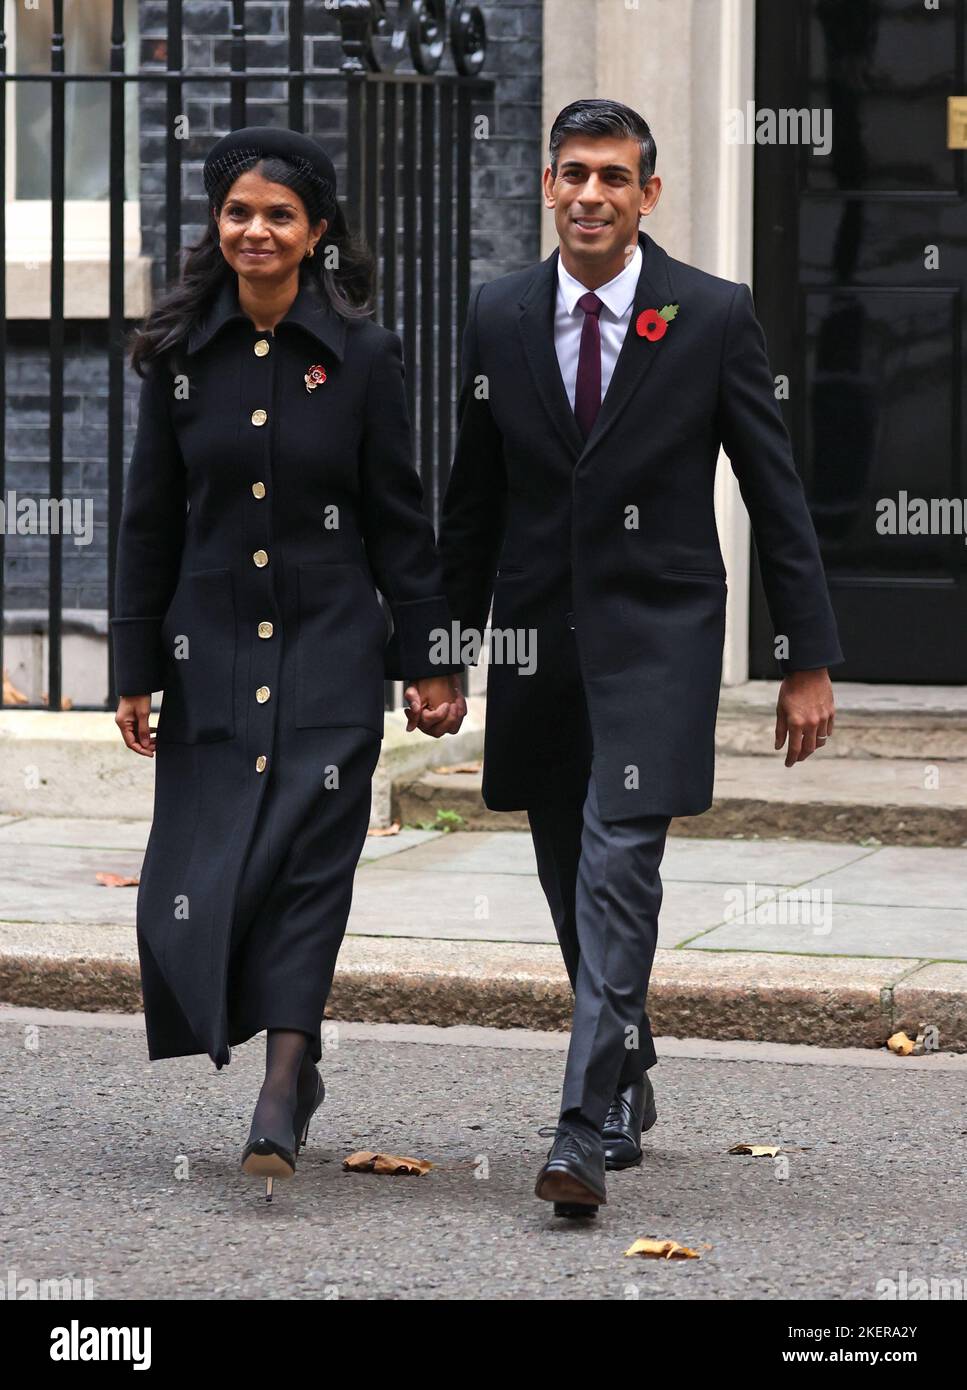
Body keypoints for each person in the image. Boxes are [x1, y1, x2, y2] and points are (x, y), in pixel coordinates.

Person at [437, 98, 842, 1217]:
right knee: (571, 865)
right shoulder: (499, 312)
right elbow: (472, 499)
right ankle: (628, 1063)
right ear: (550, 186)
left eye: (615, 177)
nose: (590, 195)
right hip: (538, 635)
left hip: (658, 633)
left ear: (647, 195)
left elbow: (774, 488)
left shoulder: (709, 315)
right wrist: (439, 648)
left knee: (621, 861)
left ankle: (581, 1122)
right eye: (573, 173)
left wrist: (804, 654)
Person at [113, 126, 464, 1201]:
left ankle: (285, 1076)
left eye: (278, 214)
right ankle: (268, 1051)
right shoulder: (177, 355)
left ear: (316, 234)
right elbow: (147, 521)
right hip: (208, 649)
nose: (255, 230)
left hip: (328, 649)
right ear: (217, 227)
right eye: (237, 212)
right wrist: (134, 666)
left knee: (313, 861)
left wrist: (429, 657)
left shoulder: (363, 354)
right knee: (205, 867)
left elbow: (401, 518)